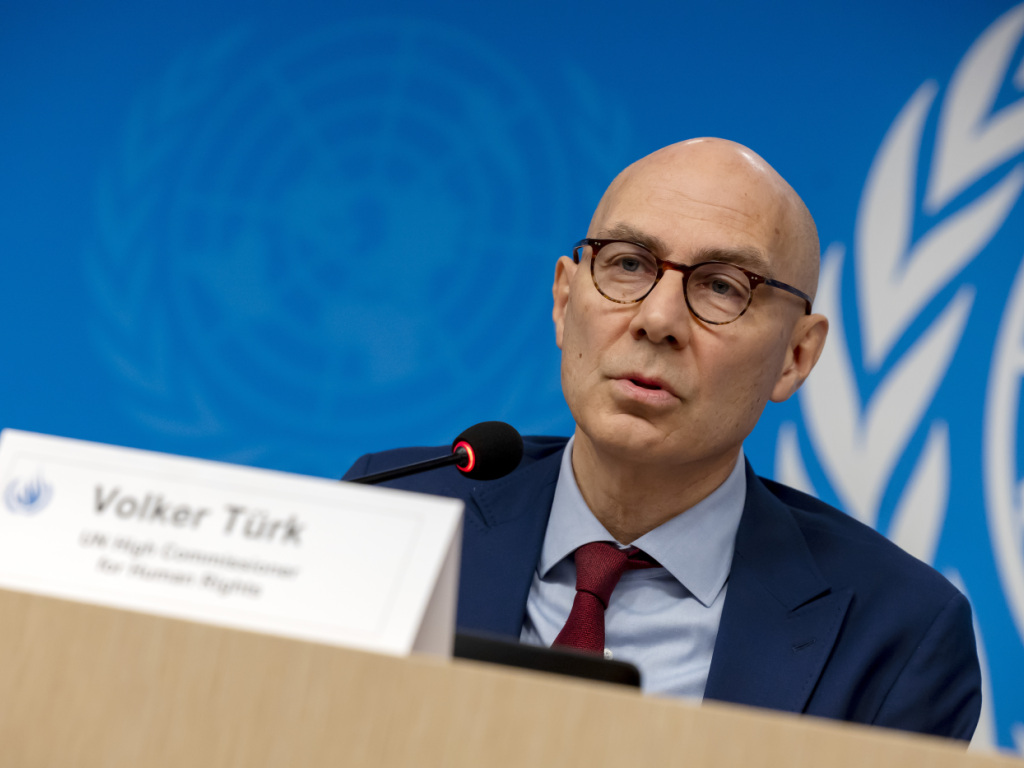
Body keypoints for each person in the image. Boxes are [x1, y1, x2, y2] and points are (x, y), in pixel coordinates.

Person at [343, 138, 982, 741]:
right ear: (564, 300)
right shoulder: (389, 514)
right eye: (627, 264)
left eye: (723, 287)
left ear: (795, 356)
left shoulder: (897, 635)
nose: (657, 319)